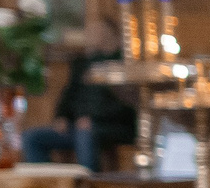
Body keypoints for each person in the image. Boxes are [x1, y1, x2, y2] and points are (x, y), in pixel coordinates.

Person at [23, 15, 133, 171]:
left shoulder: (123, 63)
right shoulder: (83, 63)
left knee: (85, 133)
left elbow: (127, 102)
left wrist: (94, 120)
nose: (89, 35)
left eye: (95, 31)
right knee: (32, 137)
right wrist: (62, 117)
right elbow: (69, 94)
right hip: (78, 126)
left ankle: (87, 181)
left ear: (108, 33)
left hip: (113, 126)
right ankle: (46, 181)